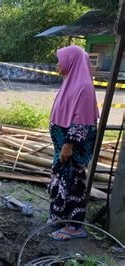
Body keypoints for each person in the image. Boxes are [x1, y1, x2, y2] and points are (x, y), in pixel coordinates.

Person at [48, 45, 99, 241]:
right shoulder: (71, 82)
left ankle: (74, 226)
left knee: (73, 183)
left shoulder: (84, 87)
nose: (57, 64)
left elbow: (81, 121)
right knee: (61, 180)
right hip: (63, 146)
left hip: (72, 148)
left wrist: (68, 145)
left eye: (60, 59)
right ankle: (60, 218)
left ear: (71, 61)